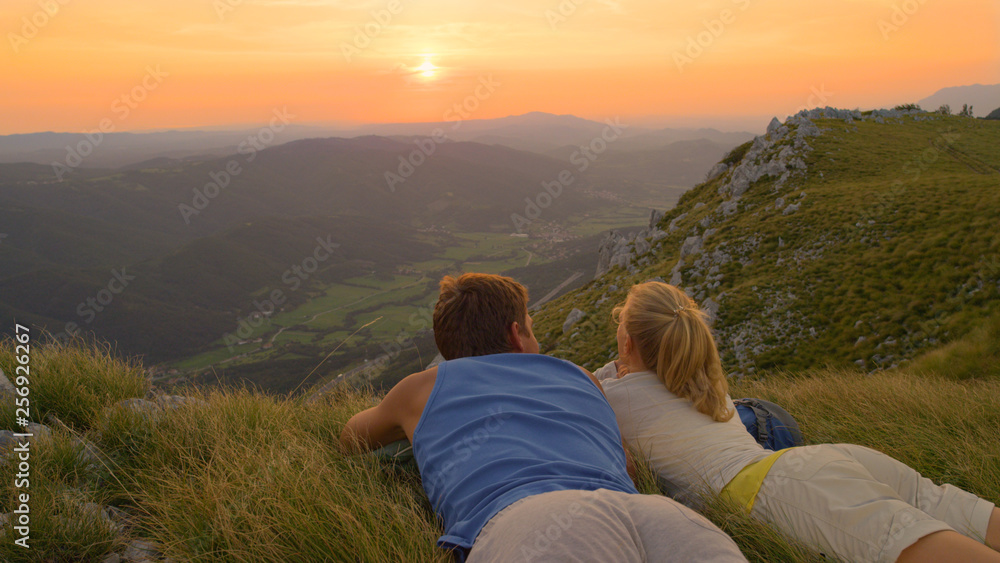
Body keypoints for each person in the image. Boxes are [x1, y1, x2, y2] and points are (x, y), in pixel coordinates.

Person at [340, 273, 746, 562]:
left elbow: (350, 438)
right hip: (656, 515)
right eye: (532, 329)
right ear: (517, 335)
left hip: (532, 525)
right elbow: (626, 465)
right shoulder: (580, 375)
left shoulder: (419, 388)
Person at [597, 281, 1000, 563]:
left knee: (910, 542)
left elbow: (585, 387)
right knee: (948, 505)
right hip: (813, 465)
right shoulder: (700, 381)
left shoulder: (614, 401)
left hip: (776, 491)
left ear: (627, 341)